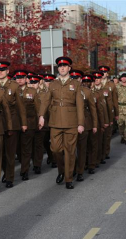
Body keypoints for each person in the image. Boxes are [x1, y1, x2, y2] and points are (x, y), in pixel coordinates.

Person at [38, 56, 84, 189]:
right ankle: (61, 171)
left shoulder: (76, 84)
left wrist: (80, 123)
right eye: (60, 66)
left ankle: (69, 179)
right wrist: (41, 116)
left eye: (65, 66)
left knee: (70, 151)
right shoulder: (53, 84)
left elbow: (80, 105)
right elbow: (46, 101)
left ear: (69, 68)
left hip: (71, 122)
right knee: (56, 150)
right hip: (55, 121)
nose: (62, 68)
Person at [0, 61, 27, 188]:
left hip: (12, 123)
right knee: (0, 152)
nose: (0, 72)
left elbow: (21, 107)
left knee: (10, 152)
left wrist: (23, 123)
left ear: (8, 71)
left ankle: (10, 177)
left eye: (3, 70)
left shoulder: (14, 86)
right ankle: (6, 171)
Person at [17, 71, 40, 181]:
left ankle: (24, 170)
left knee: (26, 148)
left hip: (29, 123)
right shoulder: (11, 90)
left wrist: (40, 120)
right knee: (17, 149)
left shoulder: (32, 91)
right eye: (17, 77)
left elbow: (37, 108)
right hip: (15, 123)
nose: (19, 80)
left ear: (26, 79)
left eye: (22, 77)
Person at [75, 74, 97, 181]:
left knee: (82, 148)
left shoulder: (86, 92)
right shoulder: (65, 90)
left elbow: (93, 110)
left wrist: (94, 125)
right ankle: (71, 169)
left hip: (84, 123)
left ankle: (80, 170)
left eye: (77, 78)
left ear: (80, 79)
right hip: (68, 123)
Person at [98, 66, 119, 159]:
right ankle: (98, 153)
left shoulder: (111, 85)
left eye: (105, 72)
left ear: (107, 74)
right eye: (101, 72)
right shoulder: (95, 83)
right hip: (99, 112)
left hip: (109, 111)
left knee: (107, 135)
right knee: (99, 135)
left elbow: (115, 100)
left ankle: (105, 152)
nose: (103, 74)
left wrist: (116, 114)